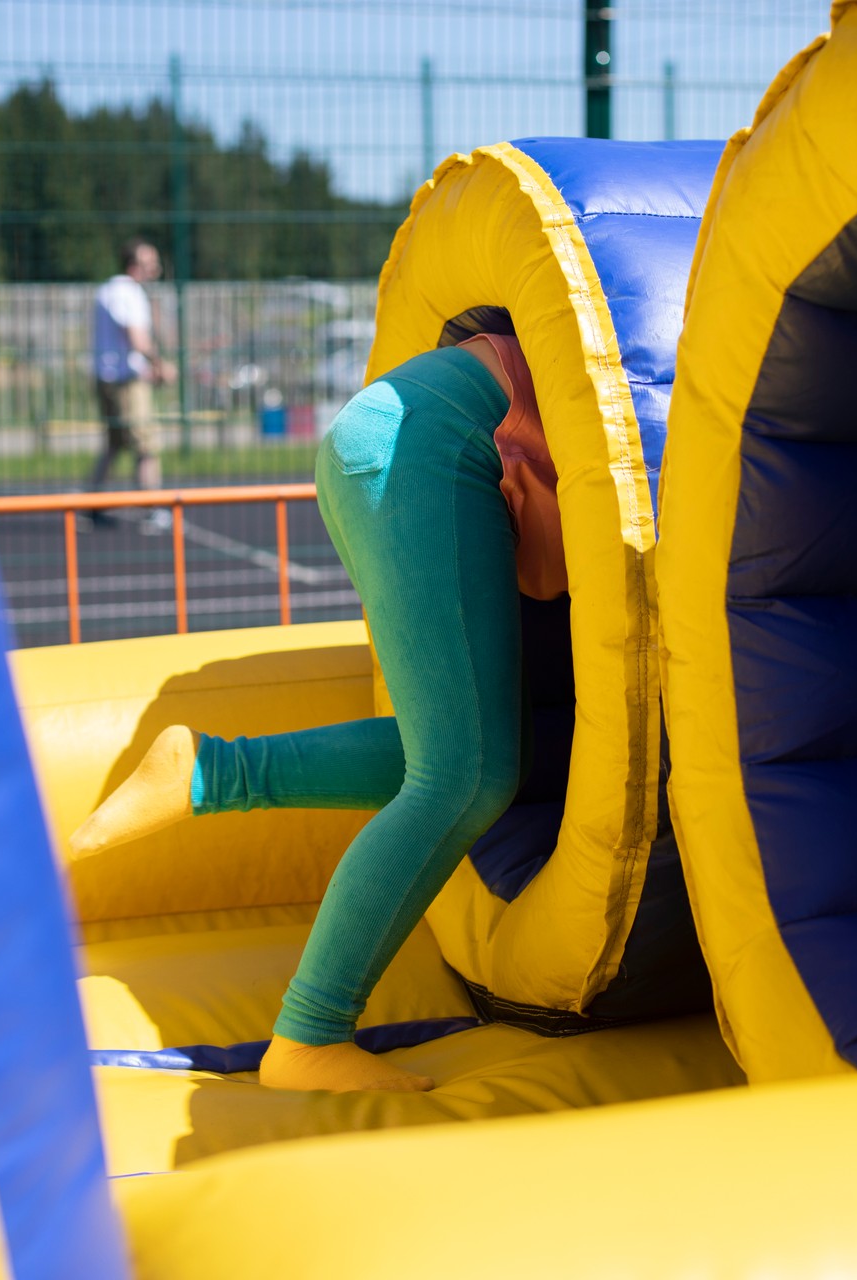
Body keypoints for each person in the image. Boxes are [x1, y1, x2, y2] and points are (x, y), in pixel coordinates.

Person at [70, 332, 564, 1093]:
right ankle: (308, 1037)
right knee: (466, 777)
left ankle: (210, 772)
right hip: (431, 445)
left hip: (407, 431)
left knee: (469, 748)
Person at [88, 238, 174, 510]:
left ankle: (91, 506)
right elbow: (137, 340)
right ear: (134, 265)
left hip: (107, 378)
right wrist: (161, 365)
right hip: (126, 382)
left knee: (114, 445)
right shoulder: (128, 293)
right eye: (151, 263)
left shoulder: (109, 290)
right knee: (146, 446)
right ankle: (152, 509)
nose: (156, 269)